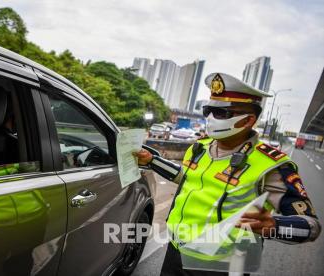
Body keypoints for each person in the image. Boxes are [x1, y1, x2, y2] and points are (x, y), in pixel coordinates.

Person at [135, 73, 321, 275]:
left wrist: (275, 225)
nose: (211, 118)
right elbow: (187, 179)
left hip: (224, 265)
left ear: (249, 120)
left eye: (222, 113)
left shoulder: (272, 165)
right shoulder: (200, 147)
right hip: (176, 250)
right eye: (209, 111)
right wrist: (152, 160)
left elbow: (311, 226)